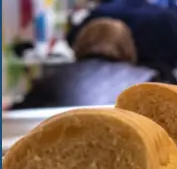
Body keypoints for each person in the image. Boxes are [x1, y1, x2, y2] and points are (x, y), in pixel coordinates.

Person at [14, 19, 158, 109]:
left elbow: (17, 117)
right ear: (127, 46)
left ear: (80, 43)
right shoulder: (147, 80)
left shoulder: (54, 80)